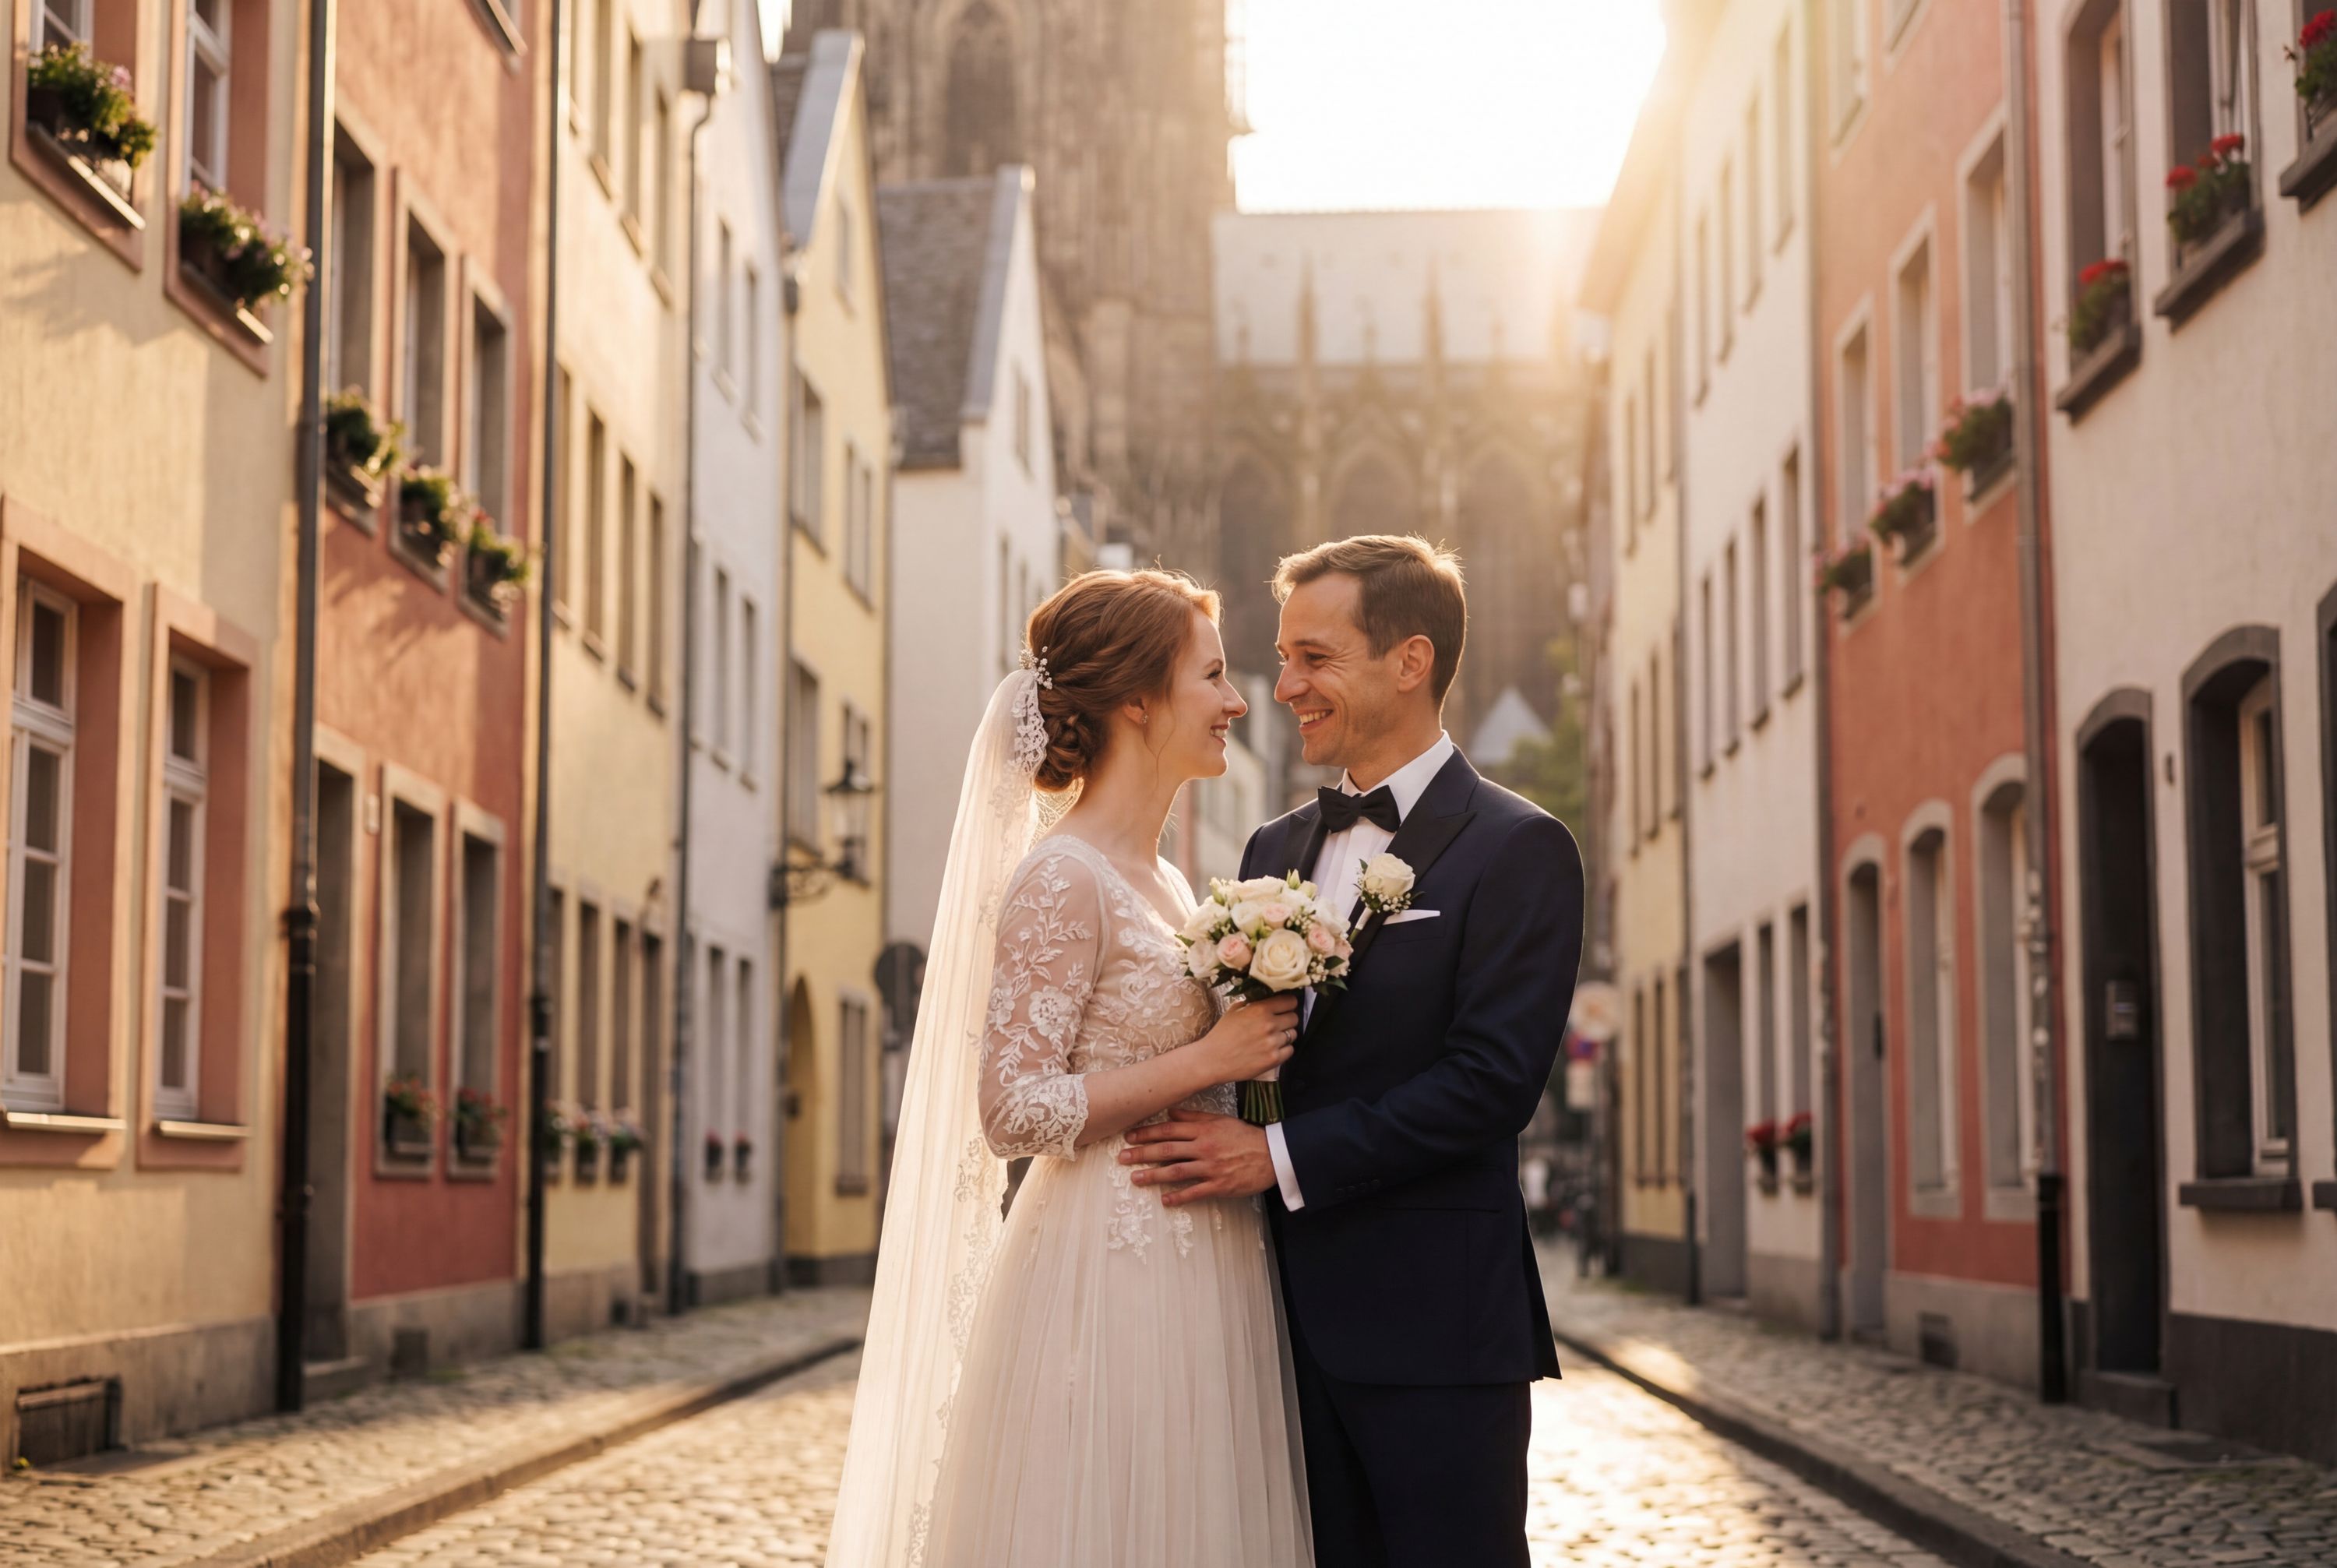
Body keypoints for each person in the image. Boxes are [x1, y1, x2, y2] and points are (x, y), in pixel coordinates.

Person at [824, 569, 1314, 1568]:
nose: (1236, 704)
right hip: (1108, 1268)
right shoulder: (1063, 875)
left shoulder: (1172, 880)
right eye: (1214, 678)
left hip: (1208, 1261)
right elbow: (1012, 1110)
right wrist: (1209, 1058)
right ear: (1138, 699)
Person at [1121, 534, 1585, 1568]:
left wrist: (1276, 1160)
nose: (1282, 687)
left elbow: (1490, 1085)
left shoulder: (1521, 849)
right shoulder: (1268, 851)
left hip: (1436, 1332)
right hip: (1263, 1325)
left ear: (1410, 662)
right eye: (1281, 658)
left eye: (1314, 659)